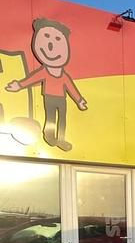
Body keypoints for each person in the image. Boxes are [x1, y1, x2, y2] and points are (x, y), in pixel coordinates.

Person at [5, 18, 87, 151]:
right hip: (49, 96)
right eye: (46, 37)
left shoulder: (63, 75)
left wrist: (79, 101)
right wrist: (19, 85)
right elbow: (32, 79)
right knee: (50, 117)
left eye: (58, 40)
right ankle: (49, 134)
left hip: (62, 98)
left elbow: (71, 88)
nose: (51, 45)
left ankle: (61, 139)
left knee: (62, 118)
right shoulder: (44, 71)